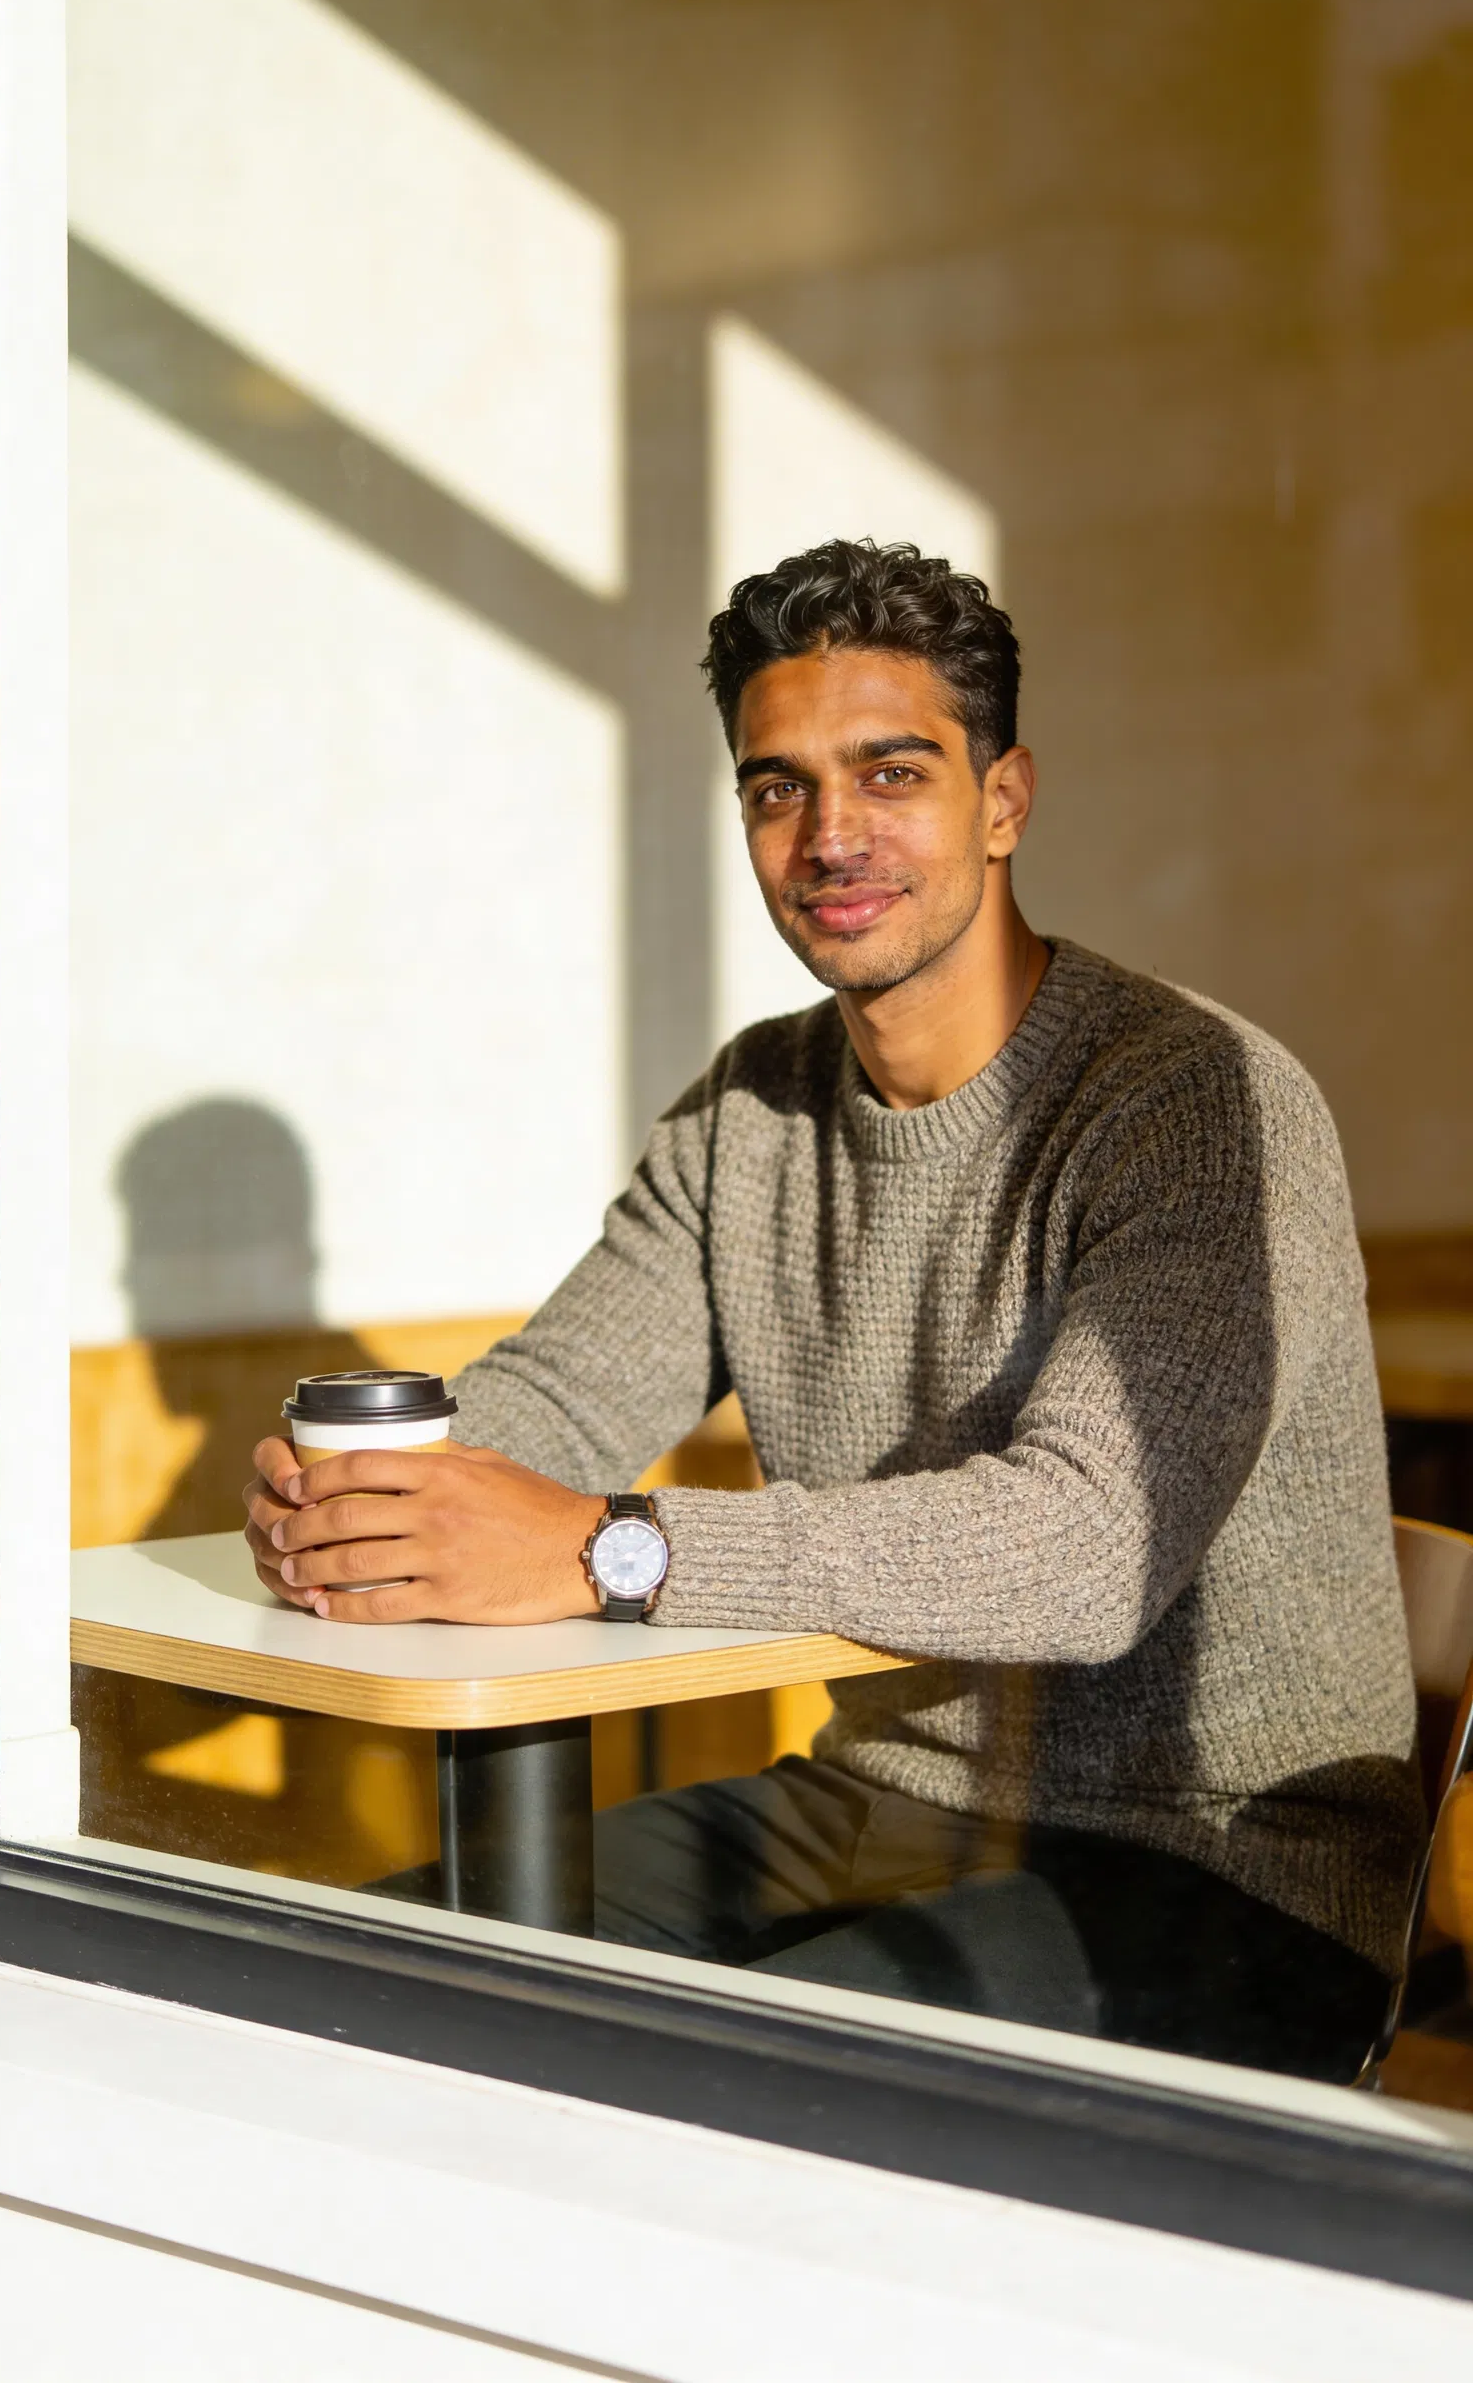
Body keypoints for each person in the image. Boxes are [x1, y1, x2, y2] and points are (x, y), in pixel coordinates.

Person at [244, 537, 1421, 2078]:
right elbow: (562, 1398)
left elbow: (1086, 1553)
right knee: (354, 1986)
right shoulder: (753, 1108)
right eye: (777, 788)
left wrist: (604, 1549)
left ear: (1003, 801)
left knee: (716, 2084)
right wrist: (370, 1497)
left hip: (1221, 1869)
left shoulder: (1192, 1103)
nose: (830, 836)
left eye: (892, 773)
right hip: (874, 1807)